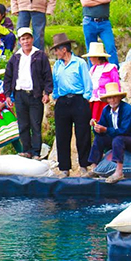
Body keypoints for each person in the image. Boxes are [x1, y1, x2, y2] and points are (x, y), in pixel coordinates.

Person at [3, 27, 53, 159]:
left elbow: (47, 75)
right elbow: (8, 77)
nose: (26, 42)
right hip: (19, 94)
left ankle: (36, 151)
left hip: (35, 94)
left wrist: (47, 92)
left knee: (35, 123)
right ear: (19, 41)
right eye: (23, 39)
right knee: (23, 123)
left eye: (28, 38)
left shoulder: (40, 55)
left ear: (32, 39)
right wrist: (8, 95)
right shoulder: (15, 57)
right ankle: (27, 150)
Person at [83, 82, 131, 184]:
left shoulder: (128, 110)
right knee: (99, 139)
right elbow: (102, 130)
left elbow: (124, 131)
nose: (112, 100)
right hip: (117, 137)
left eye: (115, 97)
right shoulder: (106, 110)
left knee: (119, 139)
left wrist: (105, 130)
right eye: (110, 98)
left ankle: (119, 171)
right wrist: (96, 127)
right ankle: (94, 167)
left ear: (119, 98)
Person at [50, 33, 93, 177]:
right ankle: (64, 168)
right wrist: (56, 97)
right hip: (62, 101)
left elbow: (87, 82)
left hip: (78, 99)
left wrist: (85, 98)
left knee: (83, 134)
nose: (56, 53)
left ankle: (84, 165)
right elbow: (55, 84)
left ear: (64, 49)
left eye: (57, 50)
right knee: (62, 135)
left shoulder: (79, 63)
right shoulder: (57, 65)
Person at [79, 0, 119, 67]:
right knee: (91, 50)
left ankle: (115, 71)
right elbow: (84, 3)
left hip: (104, 22)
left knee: (110, 47)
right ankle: (92, 73)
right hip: (89, 21)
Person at [82, 42, 120, 123]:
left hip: (105, 101)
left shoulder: (111, 68)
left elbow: (116, 84)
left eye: (91, 57)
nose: (90, 59)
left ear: (97, 57)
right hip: (94, 101)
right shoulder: (92, 70)